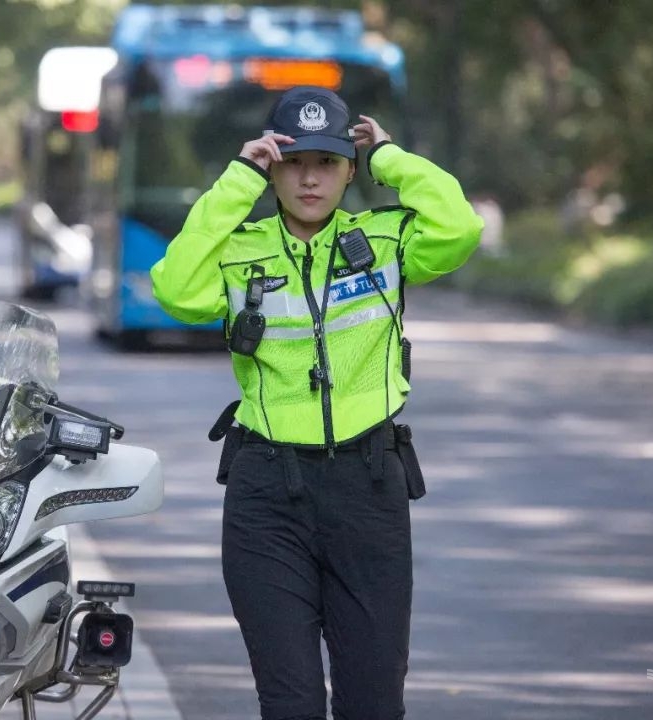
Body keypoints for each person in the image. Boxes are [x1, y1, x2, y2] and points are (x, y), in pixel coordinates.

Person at [150, 86, 483, 719]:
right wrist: (235, 181)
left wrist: (388, 157)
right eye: (293, 161)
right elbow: (175, 287)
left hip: (368, 487)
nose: (309, 178)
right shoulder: (240, 251)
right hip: (266, 496)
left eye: (327, 163)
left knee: (374, 702)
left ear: (348, 172)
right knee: (291, 701)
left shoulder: (385, 242)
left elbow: (460, 228)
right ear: (271, 166)